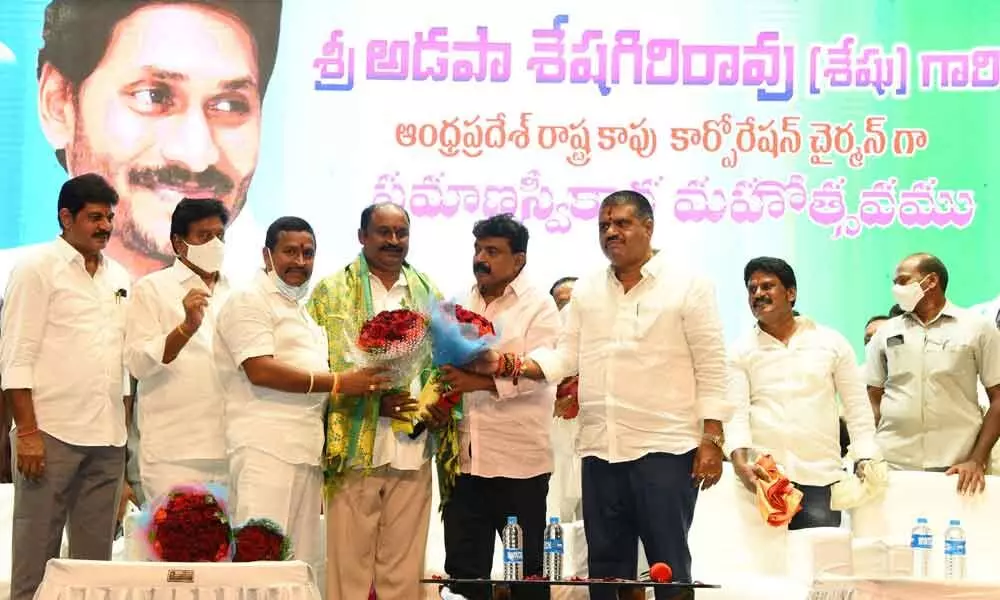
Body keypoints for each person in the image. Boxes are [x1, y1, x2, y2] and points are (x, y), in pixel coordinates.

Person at [469, 191, 730, 600]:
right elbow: (564, 358)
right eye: (604, 226)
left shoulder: (689, 285)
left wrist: (712, 437)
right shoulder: (589, 289)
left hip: (664, 446)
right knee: (606, 570)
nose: (612, 232)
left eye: (622, 223)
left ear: (648, 226)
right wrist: (507, 364)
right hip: (600, 448)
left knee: (667, 565)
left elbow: (712, 364)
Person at [0, 0, 282, 285]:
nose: (196, 155)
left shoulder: (309, 305)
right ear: (58, 104)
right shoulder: (15, 290)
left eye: (229, 105)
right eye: (153, 97)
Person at [215, 216, 389, 573]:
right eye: (289, 252)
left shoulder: (302, 312)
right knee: (258, 563)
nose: (299, 262)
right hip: (264, 449)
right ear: (267, 255)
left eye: (308, 253)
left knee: (300, 567)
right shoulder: (249, 300)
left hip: (305, 452)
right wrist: (339, 382)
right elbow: (259, 369)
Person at [0, 174, 131, 600]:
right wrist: (29, 434)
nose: (105, 227)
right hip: (51, 433)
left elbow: (122, 361)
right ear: (65, 217)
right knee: (35, 559)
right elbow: (16, 356)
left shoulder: (118, 276)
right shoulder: (36, 269)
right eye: (94, 217)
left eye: (109, 218)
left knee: (93, 567)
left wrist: (125, 441)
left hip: (108, 438)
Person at [307, 203, 445, 600]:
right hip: (353, 446)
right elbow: (320, 368)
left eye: (401, 232)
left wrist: (436, 405)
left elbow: (441, 365)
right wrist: (370, 405)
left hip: (412, 448)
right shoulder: (331, 292)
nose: (393, 241)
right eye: (383, 232)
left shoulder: (427, 291)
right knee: (347, 567)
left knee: (405, 569)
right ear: (362, 236)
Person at [438, 214, 560, 600]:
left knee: (526, 577)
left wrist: (474, 381)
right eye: (478, 249)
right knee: (464, 574)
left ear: (518, 260)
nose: (481, 258)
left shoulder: (539, 307)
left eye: (492, 251)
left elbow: (540, 374)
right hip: (465, 462)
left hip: (518, 466)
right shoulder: (459, 302)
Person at [726, 257, 878, 529]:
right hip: (765, 481)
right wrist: (740, 464)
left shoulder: (831, 342)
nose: (758, 294)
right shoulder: (740, 351)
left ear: (791, 293)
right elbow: (735, 415)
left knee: (819, 568)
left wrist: (865, 455)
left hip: (820, 479)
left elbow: (856, 407)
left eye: (768, 286)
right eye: (752, 289)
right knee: (767, 568)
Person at [125, 199, 232, 502]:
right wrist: (185, 328)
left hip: (231, 448)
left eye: (219, 236)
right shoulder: (152, 289)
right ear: (178, 242)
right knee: (173, 546)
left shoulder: (237, 292)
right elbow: (137, 364)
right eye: (203, 236)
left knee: (227, 548)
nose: (214, 244)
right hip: (174, 452)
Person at [866, 253, 1000, 494]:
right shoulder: (885, 332)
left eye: (903, 281)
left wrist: (976, 458)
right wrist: (868, 452)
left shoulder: (977, 328)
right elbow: (874, 394)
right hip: (893, 462)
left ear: (931, 281)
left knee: (954, 531)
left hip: (958, 465)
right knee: (891, 531)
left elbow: (998, 397)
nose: (896, 288)